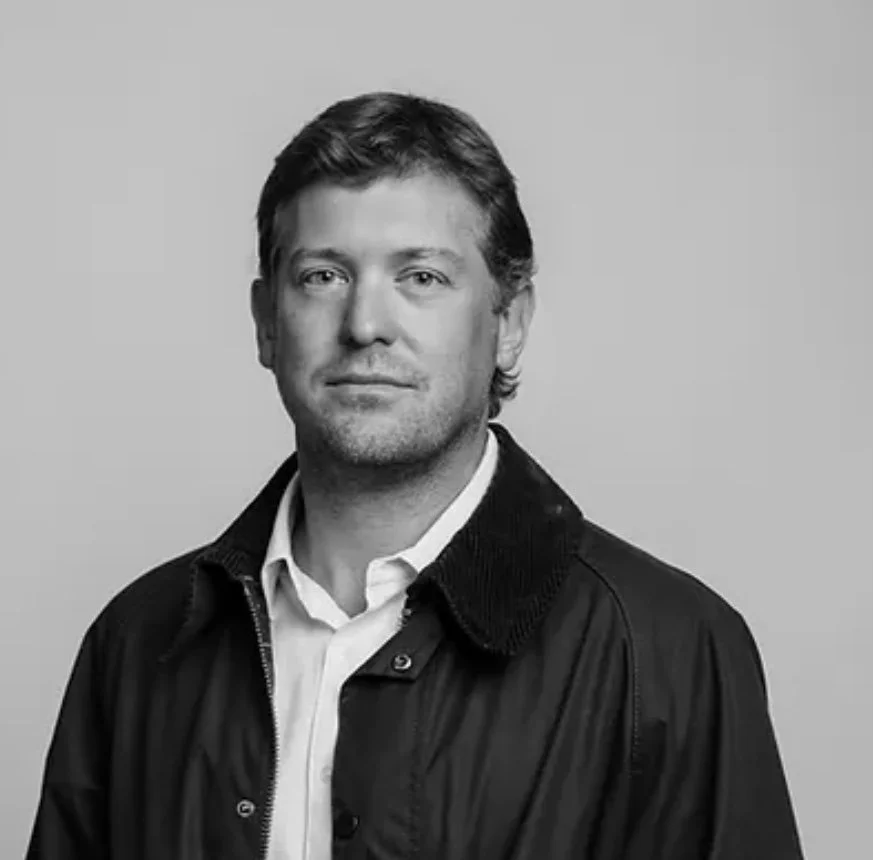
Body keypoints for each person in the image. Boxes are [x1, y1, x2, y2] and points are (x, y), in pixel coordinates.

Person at [26, 91, 804, 860]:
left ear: (509, 323)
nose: (365, 324)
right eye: (322, 276)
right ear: (266, 321)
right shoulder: (137, 644)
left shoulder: (665, 651)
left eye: (421, 278)